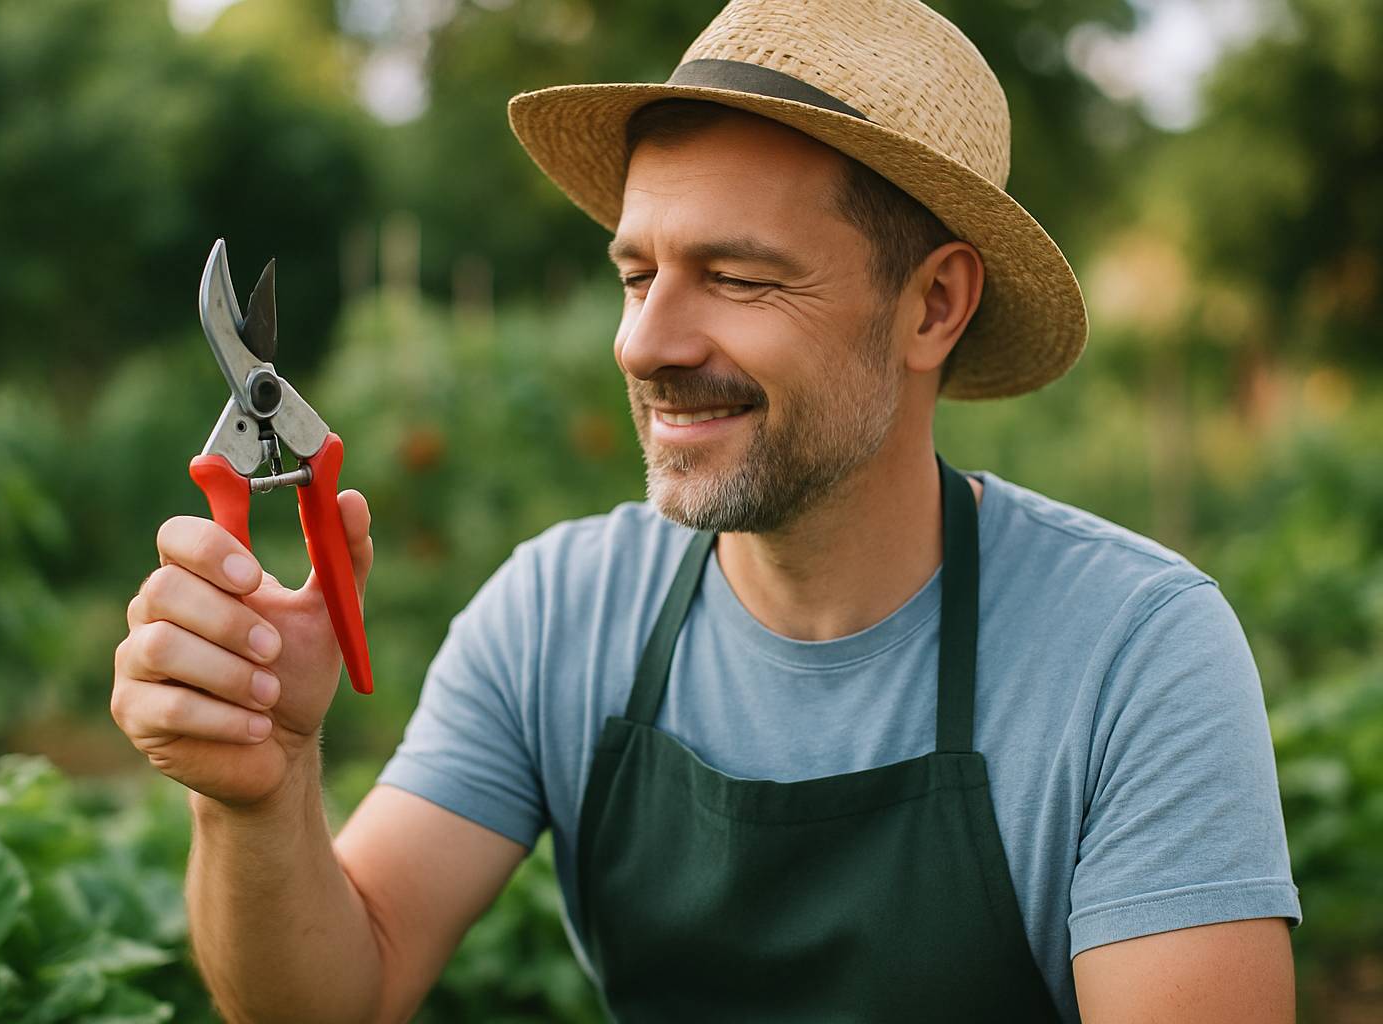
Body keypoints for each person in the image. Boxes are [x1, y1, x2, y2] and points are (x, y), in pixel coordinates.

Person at [110, 0, 1301, 1020]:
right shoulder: (558, 612)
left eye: (736, 277)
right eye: (638, 275)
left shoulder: (1133, 656)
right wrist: (260, 794)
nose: (646, 342)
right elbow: (342, 990)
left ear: (933, 305)